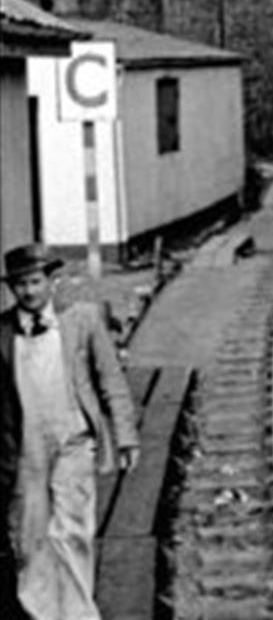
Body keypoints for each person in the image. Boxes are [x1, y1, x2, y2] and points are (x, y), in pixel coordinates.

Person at [1, 244, 138, 620]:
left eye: (34, 281)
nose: (28, 291)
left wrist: (125, 435)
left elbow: (111, 378)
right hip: (25, 449)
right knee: (30, 540)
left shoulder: (82, 319)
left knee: (71, 532)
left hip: (73, 440)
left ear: (52, 281)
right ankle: (42, 612)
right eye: (19, 285)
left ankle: (79, 615)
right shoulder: (3, 332)